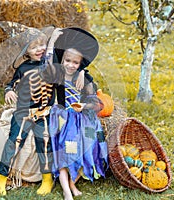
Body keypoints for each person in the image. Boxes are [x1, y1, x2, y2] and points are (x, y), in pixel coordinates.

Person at [44, 28, 109, 200]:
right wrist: (52, 42)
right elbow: (47, 64)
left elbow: (97, 103)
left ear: (81, 64)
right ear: (62, 59)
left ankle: (73, 182)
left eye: (75, 63)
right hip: (64, 119)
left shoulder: (85, 78)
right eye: (67, 60)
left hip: (83, 120)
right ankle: (66, 190)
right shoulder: (57, 74)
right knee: (66, 152)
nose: (71, 65)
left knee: (86, 148)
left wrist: (84, 104)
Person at [0, 28, 56, 196]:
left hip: (44, 113)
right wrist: (8, 91)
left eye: (42, 45)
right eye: (34, 47)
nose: (40, 49)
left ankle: (47, 179)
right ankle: (1, 177)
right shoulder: (23, 68)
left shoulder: (50, 66)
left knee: (44, 144)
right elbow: (12, 83)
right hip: (23, 112)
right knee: (13, 142)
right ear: (27, 51)